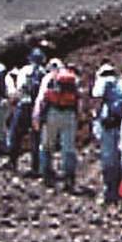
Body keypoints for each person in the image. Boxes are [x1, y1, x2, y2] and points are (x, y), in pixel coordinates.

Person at [32, 58, 83, 191]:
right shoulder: (74, 79)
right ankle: (69, 179)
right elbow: (79, 101)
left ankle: (46, 176)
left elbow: (41, 98)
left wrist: (36, 116)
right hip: (69, 116)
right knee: (68, 149)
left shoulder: (50, 78)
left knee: (46, 146)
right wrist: (78, 118)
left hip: (52, 114)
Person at [91, 63, 122, 205]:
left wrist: (96, 119)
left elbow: (97, 101)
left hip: (109, 125)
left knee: (108, 159)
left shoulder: (103, 82)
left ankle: (110, 193)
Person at [7, 48, 48, 174]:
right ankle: (35, 167)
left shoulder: (25, 70)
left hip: (24, 104)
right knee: (36, 137)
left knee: (16, 134)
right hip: (37, 108)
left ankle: (12, 162)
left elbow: (20, 88)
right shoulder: (44, 73)